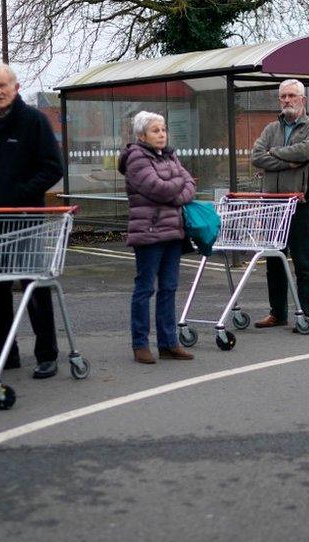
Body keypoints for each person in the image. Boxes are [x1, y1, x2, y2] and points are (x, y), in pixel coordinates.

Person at [0, 62, 64, 378]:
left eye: (2, 86)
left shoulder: (34, 122)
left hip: (26, 219)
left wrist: (22, 193)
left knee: (33, 288)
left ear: (16, 86)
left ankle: (47, 354)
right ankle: (4, 355)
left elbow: (53, 167)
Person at [118, 111, 196, 364]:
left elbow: (190, 184)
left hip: (173, 231)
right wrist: (177, 186)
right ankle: (140, 344)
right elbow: (157, 188)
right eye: (155, 130)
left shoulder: (170, 154)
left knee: (169, 288)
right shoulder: (136, 158)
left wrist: (175, 190)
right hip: (148, 232)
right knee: (145, 288)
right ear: (142, 135)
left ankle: (168, 342)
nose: (161, 134)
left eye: (163, 129)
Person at [249, 79, 309, 329]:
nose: (287, 100)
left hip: (300, 203)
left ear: (303, 100)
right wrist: (285, 158)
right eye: (283, 96)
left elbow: (306, 152)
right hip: (272, 204)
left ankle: (308, 315)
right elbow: (256, 157)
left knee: (304, 263)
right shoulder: (270, 128)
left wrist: (275, 153)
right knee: (274, 261)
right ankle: (277, 313)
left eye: (292, 96)